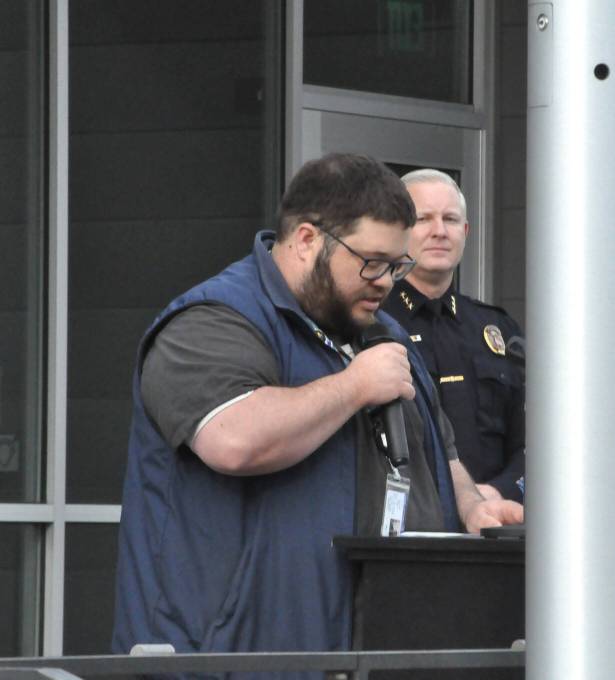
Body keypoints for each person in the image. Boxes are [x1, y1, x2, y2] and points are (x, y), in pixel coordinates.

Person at [112, 154, 523, 664]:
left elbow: (442, 456)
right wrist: (353, 387)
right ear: (307, 240)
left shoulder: (382, 336)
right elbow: (233, 440)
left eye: (398, 266)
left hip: (365, 656)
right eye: (372, 262)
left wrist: (469, 507)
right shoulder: (212, 322)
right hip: (231, 663)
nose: (387, 282)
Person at [382, 169, 525, 502]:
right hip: (405, 528)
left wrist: (494, 494)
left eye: (450, 219)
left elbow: (538, 441)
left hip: (493, 525)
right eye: (423, 219)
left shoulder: (497, 329)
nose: (439, 231)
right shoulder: (373, 323)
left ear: (465, 231)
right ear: (396, 231)